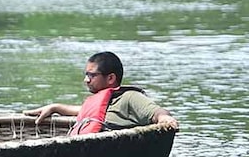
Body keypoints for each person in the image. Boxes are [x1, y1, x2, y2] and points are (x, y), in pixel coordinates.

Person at [24, 52, 179, 133]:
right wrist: (55, 107)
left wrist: (165, 118)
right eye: (86, 75)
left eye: (91, 75)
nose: (86, 80)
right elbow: (79, 111)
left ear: (111, 78)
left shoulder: (129, 98)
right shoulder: (101, 103)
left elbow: (155, 111)